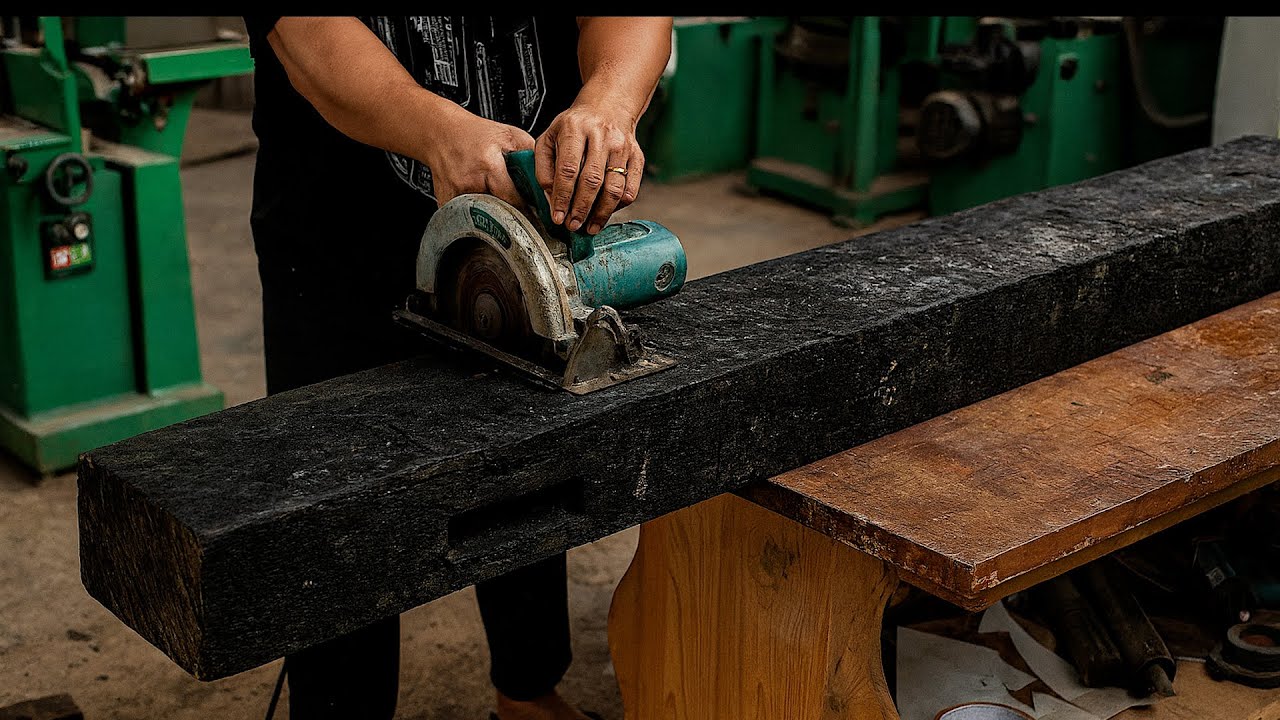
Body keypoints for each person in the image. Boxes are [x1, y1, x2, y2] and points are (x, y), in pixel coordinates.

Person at [241, 15, 673, 720]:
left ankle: (527, 687)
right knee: (342, 502)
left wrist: (608, 102)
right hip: (338, 236)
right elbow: (307, 32)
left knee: (530, 450)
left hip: (524, 219)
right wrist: (435, 128)